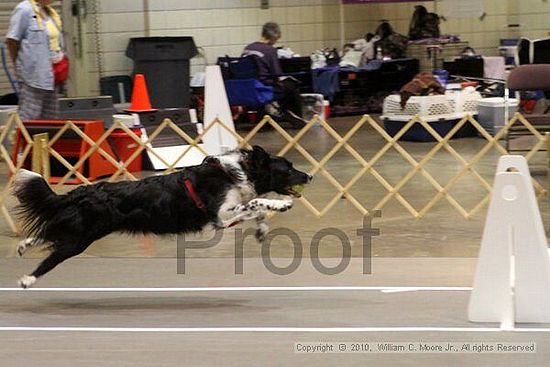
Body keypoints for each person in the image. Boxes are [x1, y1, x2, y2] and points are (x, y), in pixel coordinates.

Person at [6, 0, 65, 121]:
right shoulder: (24, 9)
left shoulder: (50, 12)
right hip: (33, 75)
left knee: (51, 118)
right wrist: (19, 66)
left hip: (52, 75)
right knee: (30, 116)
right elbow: (12, 40)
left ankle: (46, 140)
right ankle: (25, 139)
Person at [242, 22, 306, 128]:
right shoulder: (270, 50)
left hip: (248, 87)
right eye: (276, 40)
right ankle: (297, 118)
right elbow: (277, 73)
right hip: (264, 87)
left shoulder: (248, 48)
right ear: (273, 36)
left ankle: (273, 114)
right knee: (291, 85)